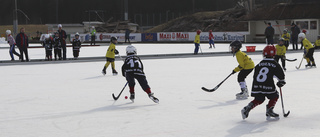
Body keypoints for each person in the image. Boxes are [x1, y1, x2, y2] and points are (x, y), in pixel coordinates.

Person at [241, 45, 286, 120]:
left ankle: (247, 108)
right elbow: (281, 77)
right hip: (268, 85)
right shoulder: (275, 64)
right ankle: (270, 109)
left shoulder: (259, 64)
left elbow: (255, 75)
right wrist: (281, 82)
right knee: (275, 95)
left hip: (257, 85)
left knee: (259, 98)